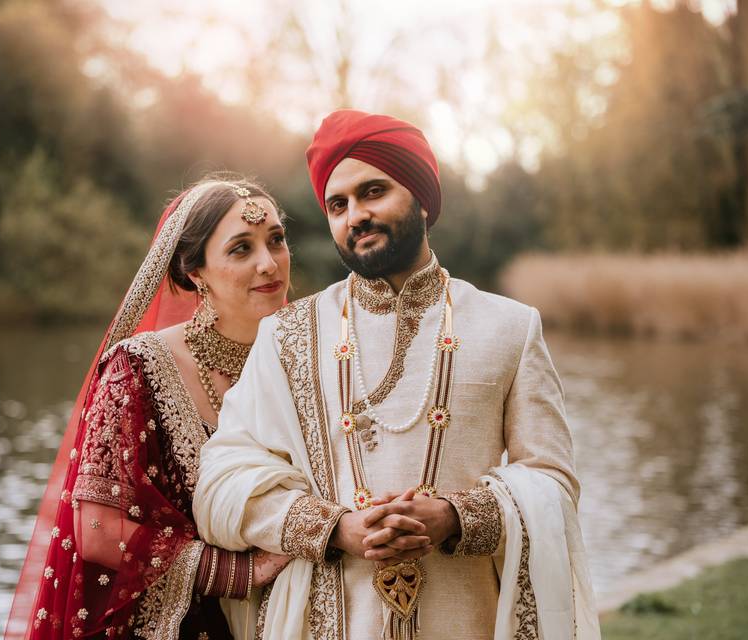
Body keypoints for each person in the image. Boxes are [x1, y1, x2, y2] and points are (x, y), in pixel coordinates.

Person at [193, 111, 599, 640]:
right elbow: (222, 480)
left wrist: (455, 516)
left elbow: (553, 480)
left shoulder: (510, 328)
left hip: (465, 617)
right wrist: (334, 528)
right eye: (338, 205)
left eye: (373, 192)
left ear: (423, 197)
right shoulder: (288, 333)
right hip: (334, 621)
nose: (355, 215)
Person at [6, 175, 294, 640]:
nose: (269, 263)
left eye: (276, 240)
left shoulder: (309, 356)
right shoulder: (138, 368)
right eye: (241, 249)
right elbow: (98, 527)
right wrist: (244, 573)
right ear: (195, 272)